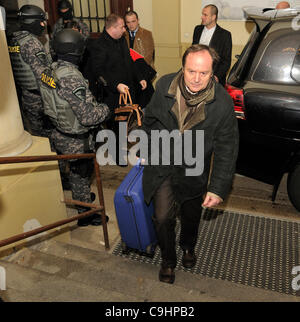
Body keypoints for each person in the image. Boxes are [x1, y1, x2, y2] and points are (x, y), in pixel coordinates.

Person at [141, 44, 239, 284]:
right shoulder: (164, 85)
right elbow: (150, 119)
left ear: (213, 73)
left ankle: (187, 246)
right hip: (163, 164)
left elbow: (227, 146)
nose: (196, 79)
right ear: (182, 68)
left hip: (195, 169)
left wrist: (217, 187)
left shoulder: (222, 102)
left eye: (203, 73)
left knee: (191, 215)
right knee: (162, 217)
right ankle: (167, 260)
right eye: (191, 71)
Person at [41, 29, 110, 226]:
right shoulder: (71, 77)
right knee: (81, 173)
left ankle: (82, 199)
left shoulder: (49, 69)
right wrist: (106, 110)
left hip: (57, 129)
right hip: (74, 136)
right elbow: (88, 117)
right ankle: (85, 214)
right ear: (77, 51)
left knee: (70, 169)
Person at [8, 4, 53, 138]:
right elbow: (42, 75)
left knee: (35, 132)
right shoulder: (31, 43)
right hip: (39, 98)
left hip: (25, 94)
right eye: (41, 21)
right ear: (31, 22)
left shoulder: (14, 39)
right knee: (47, 135)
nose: (43, 25)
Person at [192, 4, 232, 86]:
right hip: (195, 76)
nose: (202, 17)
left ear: (213, 17)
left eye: (205, 15)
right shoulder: (197, 30)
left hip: (213, 79)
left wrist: (216, 76)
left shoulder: (225, 35)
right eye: (202, 14)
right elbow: (192, 52)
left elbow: (226, 61)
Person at [124, 10, 156, 109]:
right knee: (128, 102)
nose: (131, 25)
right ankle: (128, 123)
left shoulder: (146, 34)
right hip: (128, 73)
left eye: (133, 21)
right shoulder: (122, 34)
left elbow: (149, 56)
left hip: (143, 71)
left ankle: (143, 122)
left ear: (138, 20)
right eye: (128, 22)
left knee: (144, 101)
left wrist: (137, 69)